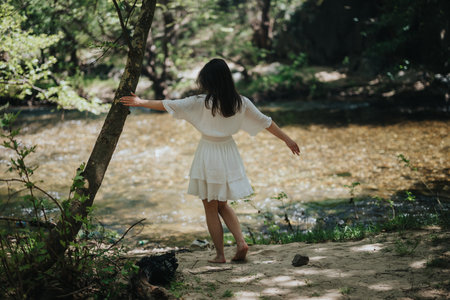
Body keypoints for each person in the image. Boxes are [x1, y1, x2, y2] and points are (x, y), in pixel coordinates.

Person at [120, 58, 300, 263]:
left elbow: (168, 105)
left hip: (209, 152)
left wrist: (140, 102)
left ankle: (220, 255)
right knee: (222, 203)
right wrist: (288, 140)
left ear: (209, 81)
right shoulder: (241, 102)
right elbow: (265, 122)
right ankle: (241, 243)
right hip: (229, 152)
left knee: (210, 206)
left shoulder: (200, 102)